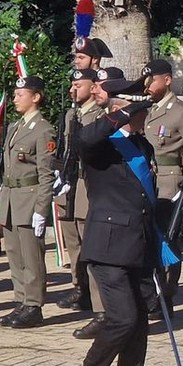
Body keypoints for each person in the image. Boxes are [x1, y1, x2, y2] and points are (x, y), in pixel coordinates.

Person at [70, 77, 158, 366]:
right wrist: (121, 113)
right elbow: (85, 140)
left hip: (139, 245)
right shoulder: (103, 145)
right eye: (140, 111)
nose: (145, 116)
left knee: (138, 326)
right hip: (107, 246)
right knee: (123, 318)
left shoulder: (142, 145)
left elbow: (144, 200)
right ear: (123, 110)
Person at [0, 76, 56, 329]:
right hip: (11, 198)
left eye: (21, 94)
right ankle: (21, 300)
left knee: (31, 257)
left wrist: (41, 209)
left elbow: (46, 174)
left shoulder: (43, 130)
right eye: (15, 94)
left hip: (29, 198)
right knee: (15, 254)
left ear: (36, 97)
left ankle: (33, 305)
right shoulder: (15, 127)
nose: (16, 98)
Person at [69, 67, 124, 339]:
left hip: (105, 192)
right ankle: (94, 303)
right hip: (81, 184)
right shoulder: (74, 115)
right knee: (85, 250)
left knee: (99, 253)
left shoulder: (107, 118)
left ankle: (105, 312)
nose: (97, 90)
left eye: (103, 86)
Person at [142, 59, 183, 320]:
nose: (147, 85)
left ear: (167, 80)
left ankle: (166, 294)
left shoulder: (182, 112)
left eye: (152, 80)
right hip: (149, 180)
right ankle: (152, 292)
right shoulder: (148, 110)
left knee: (167, 239)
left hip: (170, 181)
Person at [54, 69, 105, 325]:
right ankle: (79, 286)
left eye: (79, 85)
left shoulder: (101, 115)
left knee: (90, 243)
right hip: (70, 183)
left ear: (93, 87)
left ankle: (99, 303)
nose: (73, 89)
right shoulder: (70, 115)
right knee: (72, 241)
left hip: (88, 183)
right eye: (72, 85)